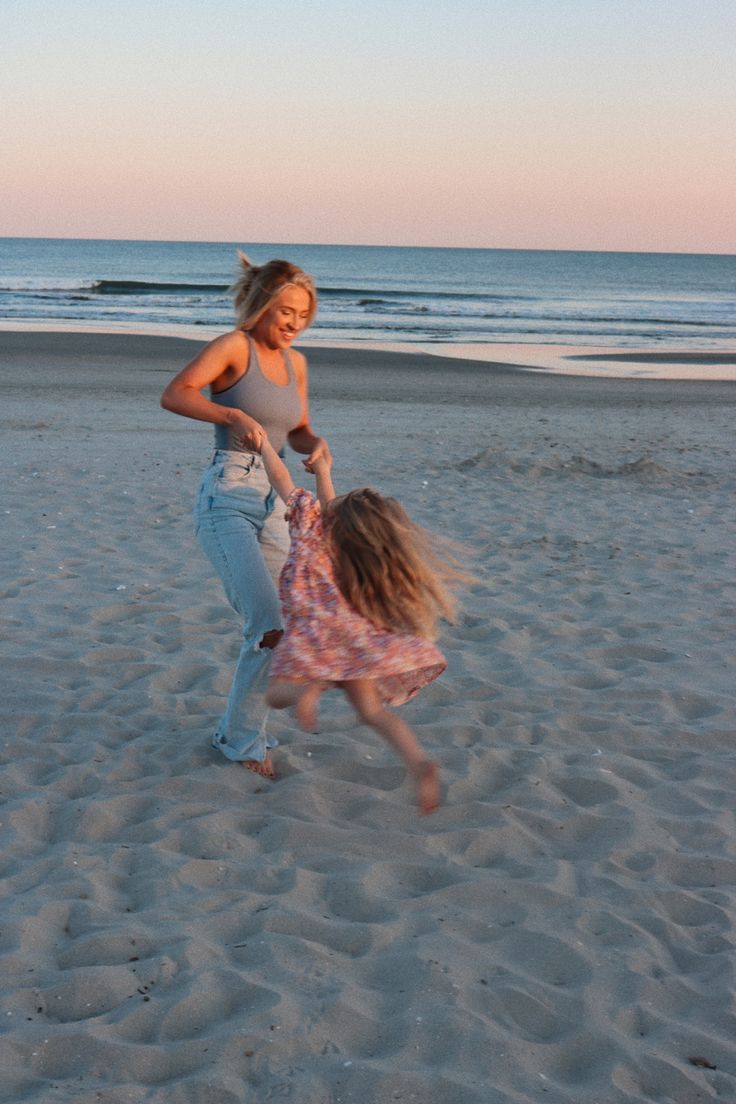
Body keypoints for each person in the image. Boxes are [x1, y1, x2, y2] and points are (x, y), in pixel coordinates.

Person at [160, 254, 331, 778]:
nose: (293, 323)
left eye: (302, 315)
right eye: (285, 311)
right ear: (262, 306)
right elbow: (175, 394)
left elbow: (296, 428)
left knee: (290, 622)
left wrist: (315, 444)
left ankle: (241, 733)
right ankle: (239, 741)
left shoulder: (296, 363)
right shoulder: (234, 347)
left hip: (277, 500)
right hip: (228, 493)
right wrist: (232, 413)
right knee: (268, 624)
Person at [258, 436, 464, 816]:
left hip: (315, 634)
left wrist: (263, 447)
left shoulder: (305, 521)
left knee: (275, 695)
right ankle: (419, 764)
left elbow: (280, 478)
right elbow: (332, 503)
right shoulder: (345, 542)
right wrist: (323, 470)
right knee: (372, 714)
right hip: (352, 637)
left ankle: (312, 688)